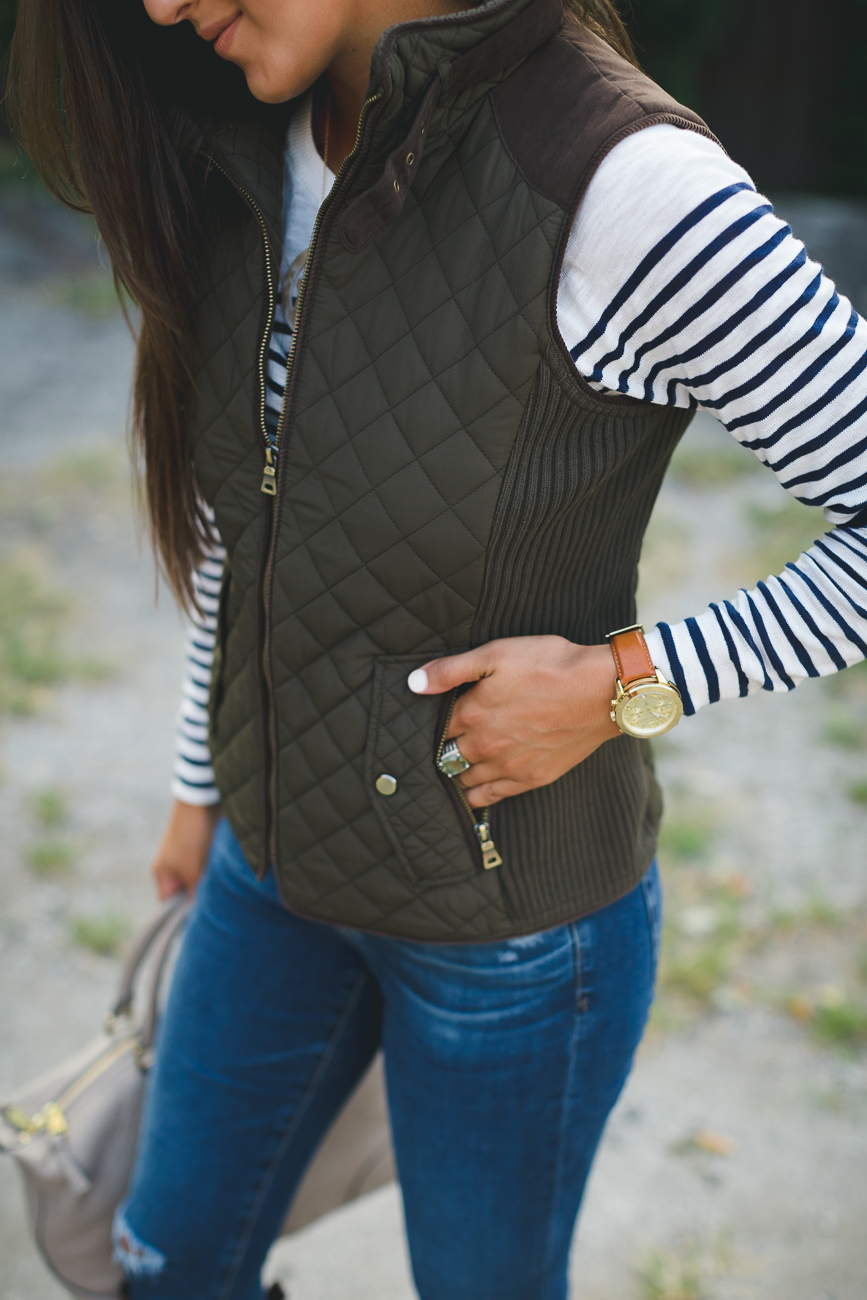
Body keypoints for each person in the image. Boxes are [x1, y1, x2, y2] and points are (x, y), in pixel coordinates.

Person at [9, 0, 867, 1296]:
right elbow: (248, 518)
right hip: (265, 873)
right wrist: (201, 780)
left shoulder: (624, 183)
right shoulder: (243, 137)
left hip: (510, 937)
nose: (163, 6)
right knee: (163, 1267)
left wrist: (629, 684)